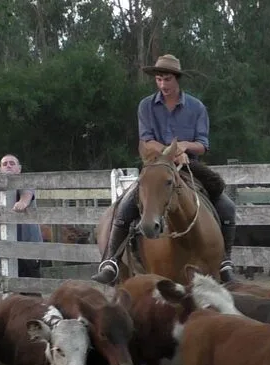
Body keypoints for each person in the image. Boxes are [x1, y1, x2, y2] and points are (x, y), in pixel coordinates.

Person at [91, 54, 237, 285]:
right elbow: (146, 140)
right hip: (156, 165)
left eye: (167, 79)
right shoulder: (146, 106)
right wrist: (169, 151)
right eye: (159, 79)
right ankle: (111, 262)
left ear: (176, 79)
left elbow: (203, 144)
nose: (163, 85)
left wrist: (184, 147)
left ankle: (225, 261)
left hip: (187, 165)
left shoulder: (196, 107)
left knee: (226, 206)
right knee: (125, 206)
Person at [0, 154, 43, 278]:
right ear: (0, 169)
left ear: (19, 168)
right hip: (4, 244)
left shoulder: (25, 182)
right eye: (5, 164)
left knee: (31, 284)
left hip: (27, 244)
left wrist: (21, 203)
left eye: (12, 163)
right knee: (8, 279)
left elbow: (26, 197)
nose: (8, 166)